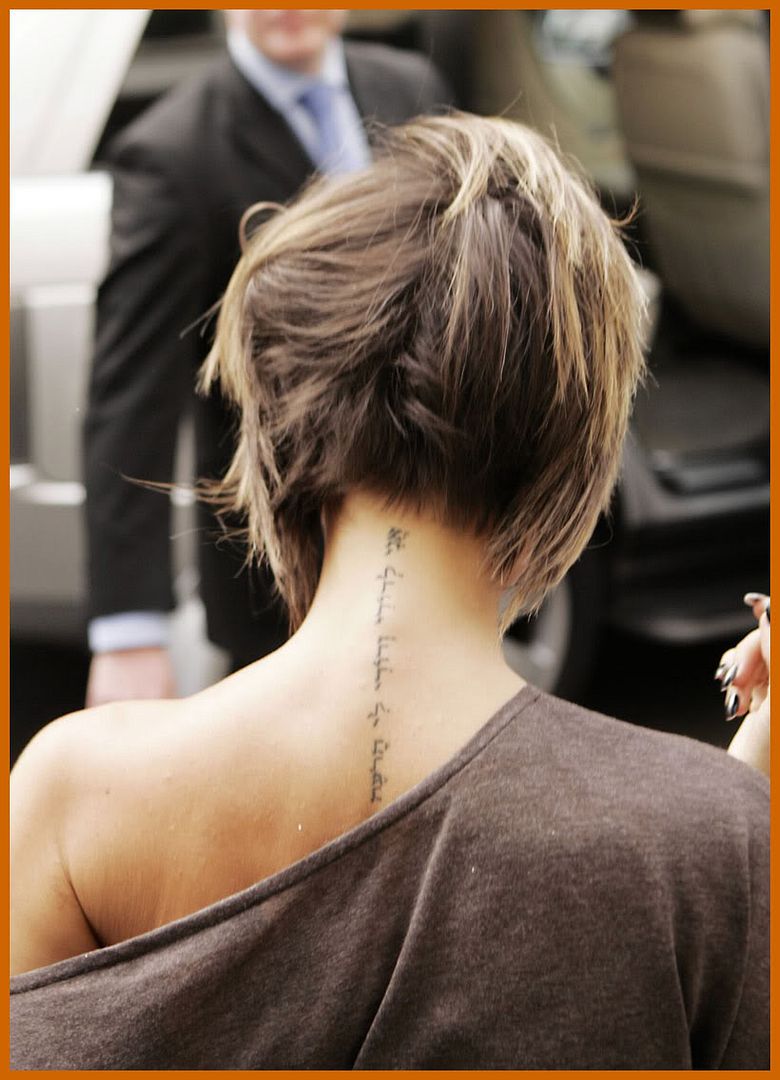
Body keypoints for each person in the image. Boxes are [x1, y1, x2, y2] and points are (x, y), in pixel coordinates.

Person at [11, 114, 768, 1069]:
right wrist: (737, 825)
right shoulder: (703, 844)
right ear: (570, 448)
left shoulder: (74, 796)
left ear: (280, 428)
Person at [84, 9, 451, 706]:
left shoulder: (413, 87)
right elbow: (131, 399)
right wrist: (130, 633)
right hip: (278, 572)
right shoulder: (174, 152)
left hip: (428, 533)